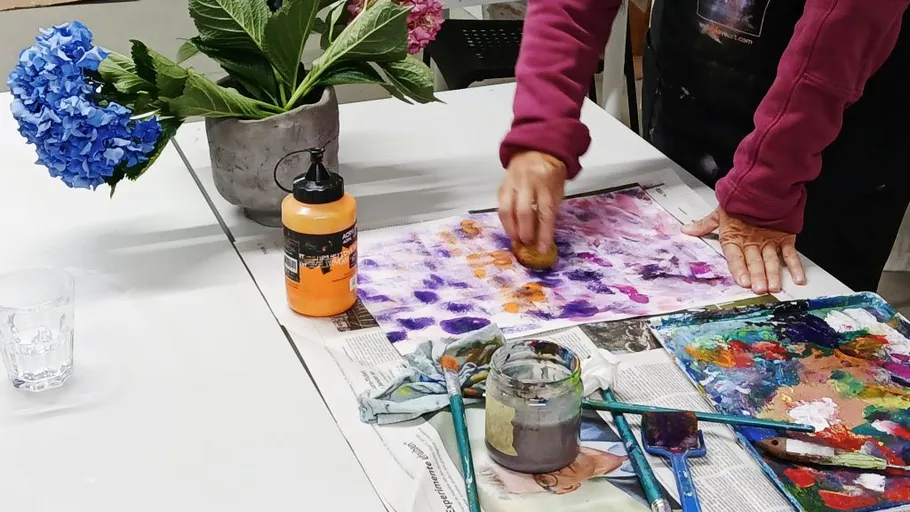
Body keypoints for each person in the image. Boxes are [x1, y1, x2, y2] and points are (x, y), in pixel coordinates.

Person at [497, 0, 910, 294]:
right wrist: (542, 128)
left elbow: (844, 29)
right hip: (692, 80)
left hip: (831, 122)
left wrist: (765, 189)